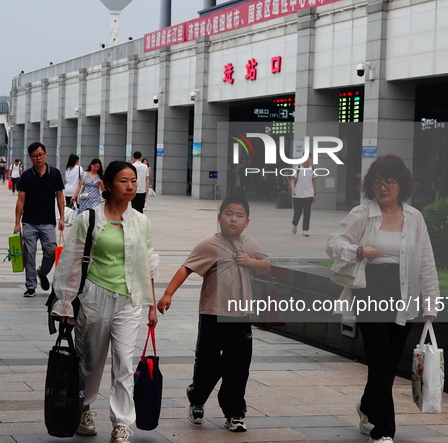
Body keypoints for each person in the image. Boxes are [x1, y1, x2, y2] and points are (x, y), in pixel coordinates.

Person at [325, 154, 439, 443]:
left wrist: (431, 303)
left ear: (401, 185)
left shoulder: (414, 218)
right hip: (371, 292)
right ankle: (384, 430)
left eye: (389, 182)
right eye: (378, 182)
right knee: (380, 361)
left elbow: (426, 261)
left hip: (405, 296)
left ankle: (366, 406)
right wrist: (359, 251)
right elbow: (333, 243)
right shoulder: (362, 214)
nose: (383, 188)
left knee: (388, 363)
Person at [52, 160, 159, 443]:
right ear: (108, 185)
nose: (131, 186)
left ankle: (122, 423)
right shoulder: (89, 219)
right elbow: (71, 263)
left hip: (129, 299)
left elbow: (148, 263)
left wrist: (151, 305)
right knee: (90, 363)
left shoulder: (142, 222)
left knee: (124, 362)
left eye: (134, 181)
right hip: (94, 297)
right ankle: (84, 408)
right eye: (124, 181)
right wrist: (64, 304)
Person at [157, 194, 270, 433]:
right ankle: (197, 396)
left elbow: (266, 266)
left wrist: (249, 261)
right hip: (212, 313)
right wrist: (168, 294)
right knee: (209, 362)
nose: (233, 219)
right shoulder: (209, 244)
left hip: (241, 316)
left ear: (247, 222)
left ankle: (235, 413)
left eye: (239, 216)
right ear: (219, 218)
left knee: (239, 367)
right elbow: (186, 268)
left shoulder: (250, 245)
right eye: (229, 214)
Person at [14, 142, 65, 298]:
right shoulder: (26, 176)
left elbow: (60, 196)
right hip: (29, 221)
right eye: (35, 155)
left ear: (45, 155)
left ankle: (42, 272)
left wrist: (62, 217)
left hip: (48, 221)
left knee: (50, 251)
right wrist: (17, 222)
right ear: (30, 158)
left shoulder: (55, 173)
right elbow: (21, 199)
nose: (38, 158)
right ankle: (30, 286)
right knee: (29, 253)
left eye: (40, 154)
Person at [290, 155, 317, 237]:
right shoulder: (297, 168)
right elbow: (292, 181)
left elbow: (314, 183)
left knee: (307, 212)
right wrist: (293, 189)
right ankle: (295, 224)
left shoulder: (312, 169)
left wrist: (314, 194)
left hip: (309, 194)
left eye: (309, 157)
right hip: (298, 194)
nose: (308, 159)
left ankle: (305, 230)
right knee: (298, 212)